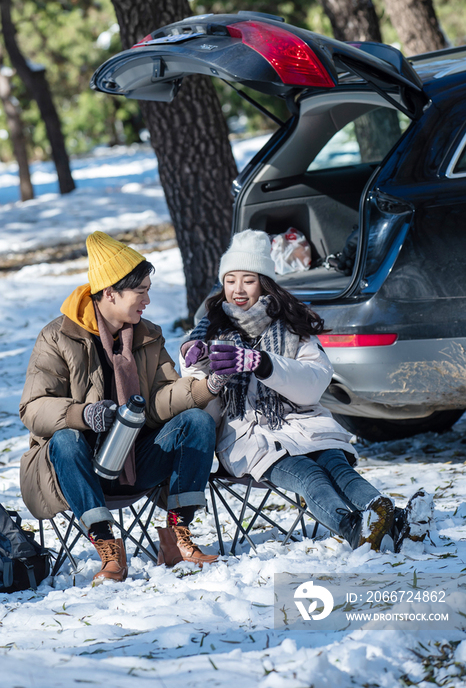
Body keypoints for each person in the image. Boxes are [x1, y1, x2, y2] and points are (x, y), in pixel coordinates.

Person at [180, 230, 433, 553]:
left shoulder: (291, 327)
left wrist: (261, 362)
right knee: (310, 476)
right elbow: (196, 392)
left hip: (305, 423)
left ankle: (394, 520)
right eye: (230, 280)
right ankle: (358, 530)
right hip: (248, 436)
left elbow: (315, 381)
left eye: (248, 280)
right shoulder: (209, 331)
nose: (238, 290)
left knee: (337, 468)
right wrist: (199, 363)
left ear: (265, 283)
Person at [19, 231, 219, 584]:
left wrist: (206, 387)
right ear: (110, 293)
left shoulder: (147, 335)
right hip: (77, 470)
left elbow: (161, 402)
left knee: (196, 421)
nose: (147, 300)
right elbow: (33, 408)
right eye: (140, 290)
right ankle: (109, 548)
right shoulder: (58, 337)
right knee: (65, 439)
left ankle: (177, 537)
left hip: (136, 459)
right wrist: (84, 415)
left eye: (148, 289)